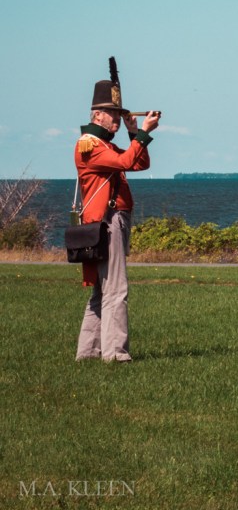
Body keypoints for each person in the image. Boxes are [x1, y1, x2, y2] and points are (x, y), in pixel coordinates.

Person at [74, 58, 160, 363]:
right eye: (112, 114)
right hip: (108, 222)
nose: (115, 119)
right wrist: (142, 134)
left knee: (101, 293)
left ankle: (88, 354)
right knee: (116, 290)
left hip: (107, 222)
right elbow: (127, 162)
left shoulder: (102, 145)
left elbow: (139, 162)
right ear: (98, 114)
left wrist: (134, 134)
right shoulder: (91, 145)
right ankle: (116, 355)